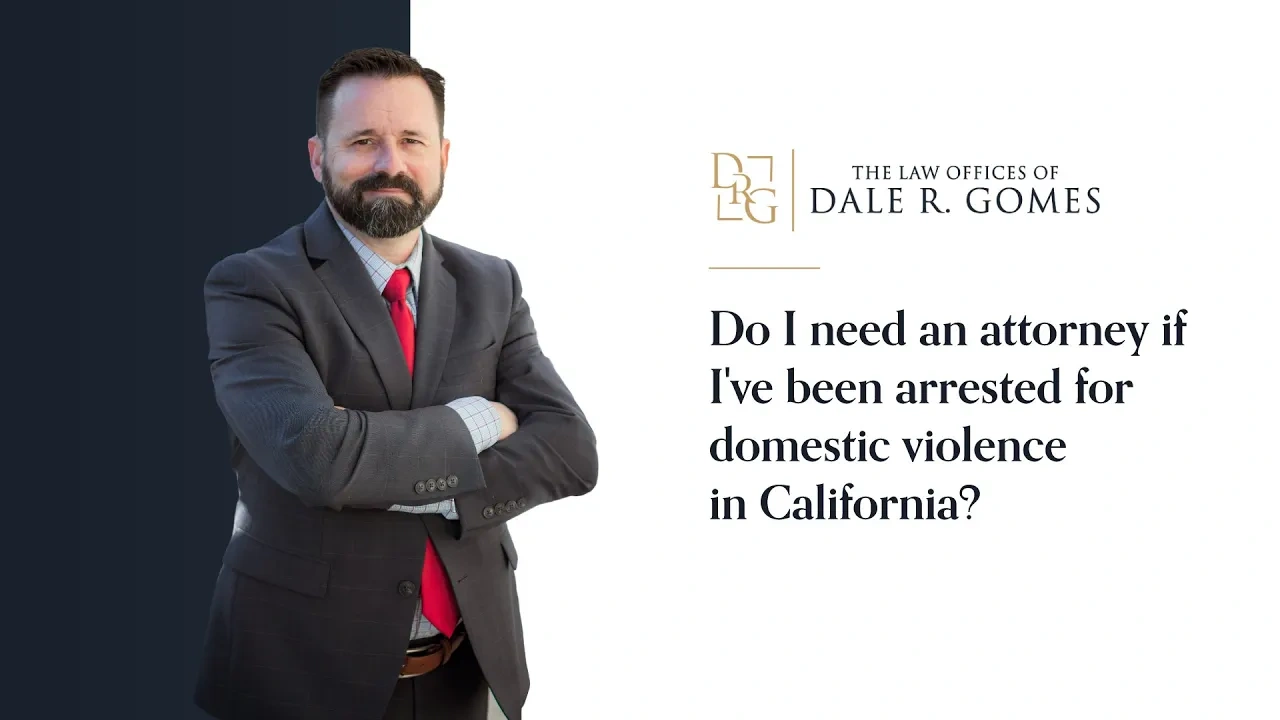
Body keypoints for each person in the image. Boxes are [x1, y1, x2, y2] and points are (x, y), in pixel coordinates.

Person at [192, 47, 598, 720]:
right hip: (301, 674)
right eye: (362, 141)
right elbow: (318, 458)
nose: (391, 163)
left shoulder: (491, 283)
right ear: (318, 157)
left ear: (442, 155)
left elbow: (572, 452)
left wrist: (386, 467)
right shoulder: (254, 285)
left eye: (411, 140)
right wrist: (483, 420)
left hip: (467, 669)